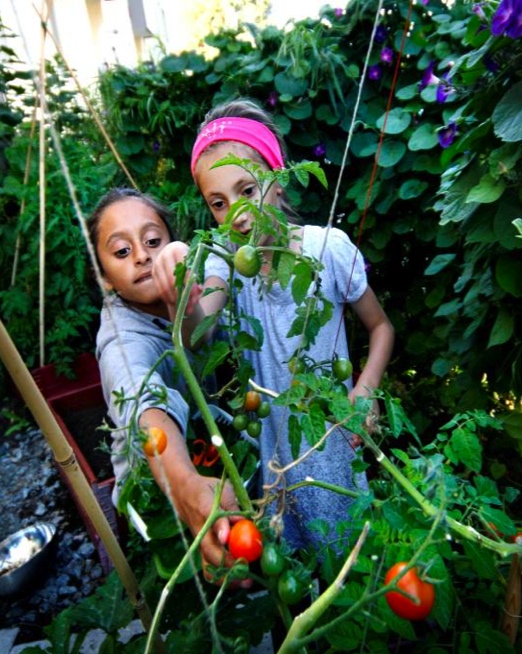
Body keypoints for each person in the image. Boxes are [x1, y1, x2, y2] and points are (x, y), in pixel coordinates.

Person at [156, 97, 395, 553]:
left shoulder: (327, 250)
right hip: (275, 458)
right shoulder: (225, 265)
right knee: (293, 563)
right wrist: (182, 296)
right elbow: (199, 332)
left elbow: (381, 327)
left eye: (247, 190)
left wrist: (364, 389)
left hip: (332, 440)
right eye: (219, 204)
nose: (238, 215)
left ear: (279, 179)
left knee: (347, 553)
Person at [87, 187, 242, 580]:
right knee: (179, 582)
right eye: (122, 251)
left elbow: (204, 325)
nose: (141, 255)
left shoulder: (192, 283)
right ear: (104, 278)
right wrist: (185, 484)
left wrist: (187, 300)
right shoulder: (120, 341)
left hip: (205, 453)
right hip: (155, 492)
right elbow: (144, 403)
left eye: (153, 241)